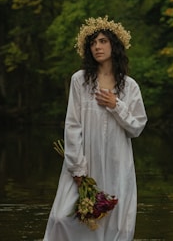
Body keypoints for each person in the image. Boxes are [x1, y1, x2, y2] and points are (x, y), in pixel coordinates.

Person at [43, 16, 147, 241]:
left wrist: (115, 106)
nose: (97, 47)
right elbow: (72, 125)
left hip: (117, 162)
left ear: (114, 45)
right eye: (92, 43)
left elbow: (137, 126)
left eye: (102, 41)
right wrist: (78, 168)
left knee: (114, 220)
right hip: (84, 162)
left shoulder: (129, 86)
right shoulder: (80, 81)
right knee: (62, 217)